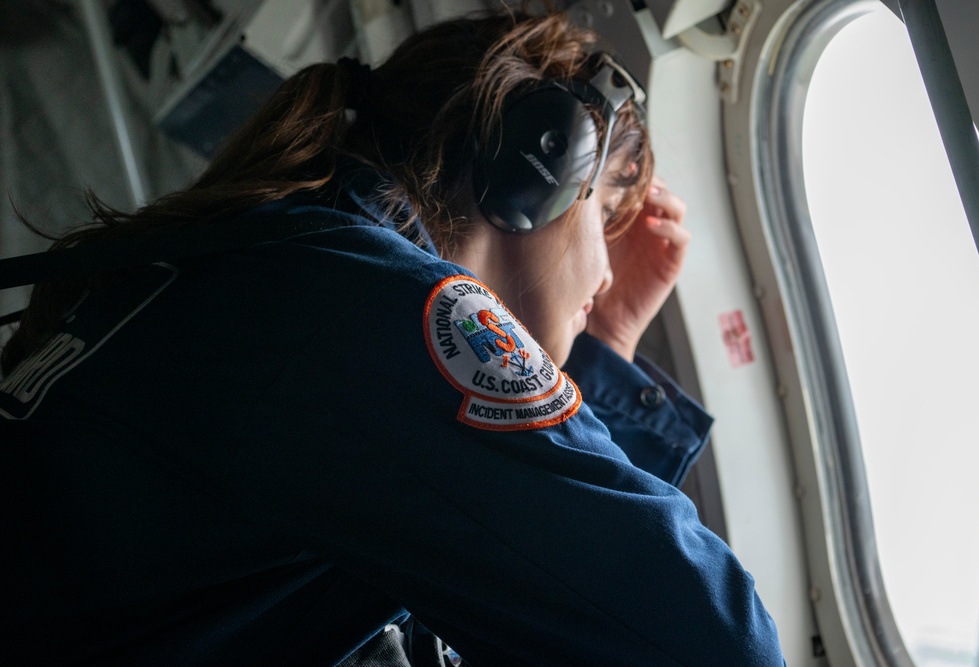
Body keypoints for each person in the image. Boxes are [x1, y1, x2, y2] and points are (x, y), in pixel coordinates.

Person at [0, 9, 784, 666]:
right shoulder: (364, 309)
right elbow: (710, 641)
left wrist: (606, 343)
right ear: (536, 171)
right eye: (602, 220)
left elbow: (536, 563)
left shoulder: (276, 263)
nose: (606, 275)